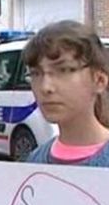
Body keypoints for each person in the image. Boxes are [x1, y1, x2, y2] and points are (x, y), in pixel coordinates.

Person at [24, 21, 109, 166]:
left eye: (64, 70)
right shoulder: (34, 163)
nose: (46, 87)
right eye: (36, 73)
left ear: (99, 80)